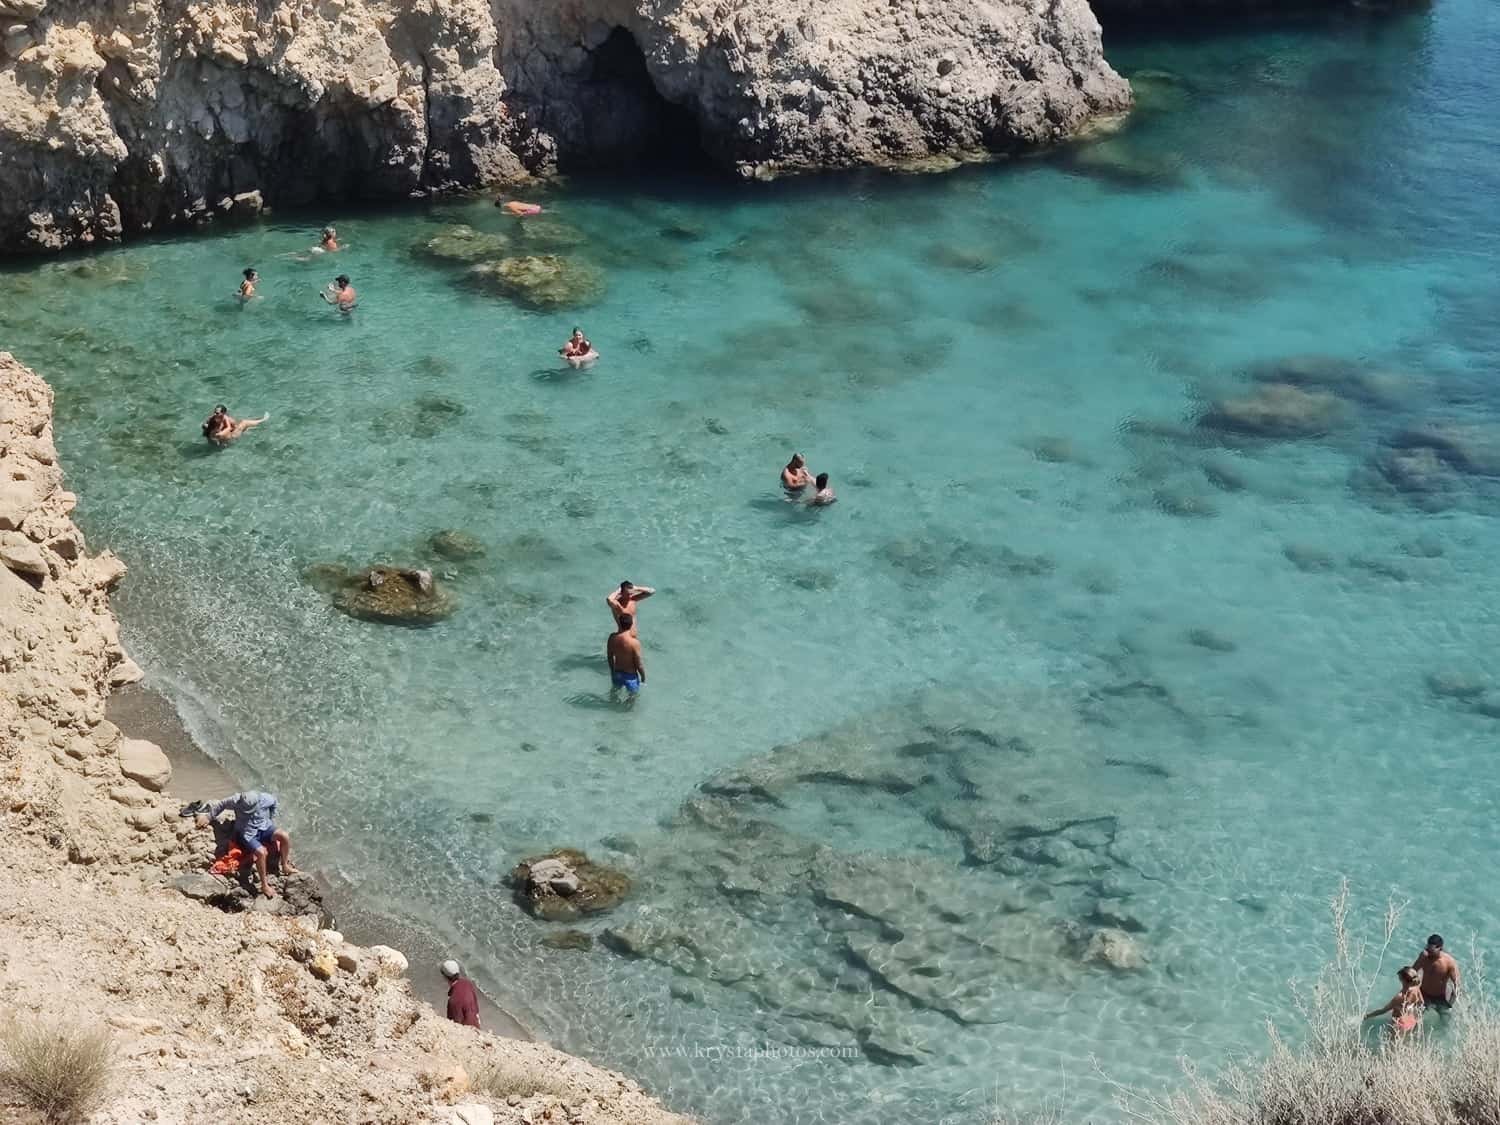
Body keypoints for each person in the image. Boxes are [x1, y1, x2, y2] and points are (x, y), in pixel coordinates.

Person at [194, 790, 295, 899]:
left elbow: (274, 802)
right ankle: (264, 885)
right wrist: (208, 817)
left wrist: (271, 818)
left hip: (264, 827)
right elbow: (221, 804)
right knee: (261, 853)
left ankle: (285, 866)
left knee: (284, 836)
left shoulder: (265, 799)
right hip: (247, 834)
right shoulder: (236, 800)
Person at [1364, 966, 1425, 1037]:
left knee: (1391, 1042)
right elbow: (1421, 1002)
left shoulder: (1399, 997)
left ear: (1402, 980)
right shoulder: (1416, 988)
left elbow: (1383, 1010)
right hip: (1411, 1021)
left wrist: (1367, 1016)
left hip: (1400, 1024)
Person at [1412, 934, 1461, 1010]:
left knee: (1444, 1015)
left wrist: (1450, 1004)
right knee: (1412, 1014)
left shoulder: (1449, 962)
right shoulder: (1424, 956)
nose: (1429, 952)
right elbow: (1411, 973)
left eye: (1431, 951)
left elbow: (1457, 985)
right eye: (1427, 949)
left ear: (1440, 948)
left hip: (1439, 997)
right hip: (1423, 993)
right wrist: (1420, 959)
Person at [607, 613, 645, 698]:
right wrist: (643, 677)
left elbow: (610, 657)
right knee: (632, 699)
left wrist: (612, 671)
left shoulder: (612, 637)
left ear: (619, 623)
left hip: (617, 674)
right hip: (630, 677)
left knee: (613, 697)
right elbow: (639, 664)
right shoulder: (634, 643)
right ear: (631, 625)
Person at [202, 405, 269, 446]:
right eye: (215, 412)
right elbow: (207, 432)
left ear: (223, 413)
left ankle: (261, 421)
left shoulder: (227, 420)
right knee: (244, 422)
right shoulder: (212, 419)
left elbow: (231, 428)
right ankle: (261, 420)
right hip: (227, 439)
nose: (215, 414)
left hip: (229, 438)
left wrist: (220, 435)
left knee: (243, 423)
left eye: (217, 413)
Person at [441, 960, 481, 1029]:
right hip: (477, 1024)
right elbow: (476, 1009)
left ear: (444, 977)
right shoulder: (468, 984)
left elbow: (455, 1024)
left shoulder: (453, 1000)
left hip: (468, 1030)